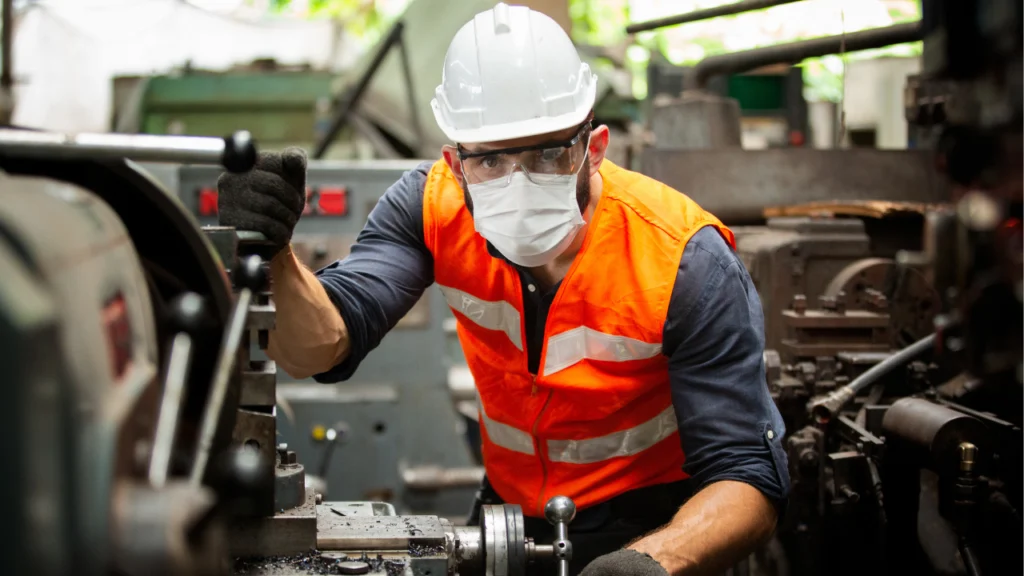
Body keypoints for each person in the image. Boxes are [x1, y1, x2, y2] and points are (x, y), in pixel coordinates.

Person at [216, 3, 789, 575]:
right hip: (508, 522)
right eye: (490, 159)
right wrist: (275, 253)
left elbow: (749, 482)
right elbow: (321, 347)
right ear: (455, 163)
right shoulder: (428, 209)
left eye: (548, 152)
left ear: (594, 147)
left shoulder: (685, 259)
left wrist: (650, 563)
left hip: (664, 529)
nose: (519, 182)